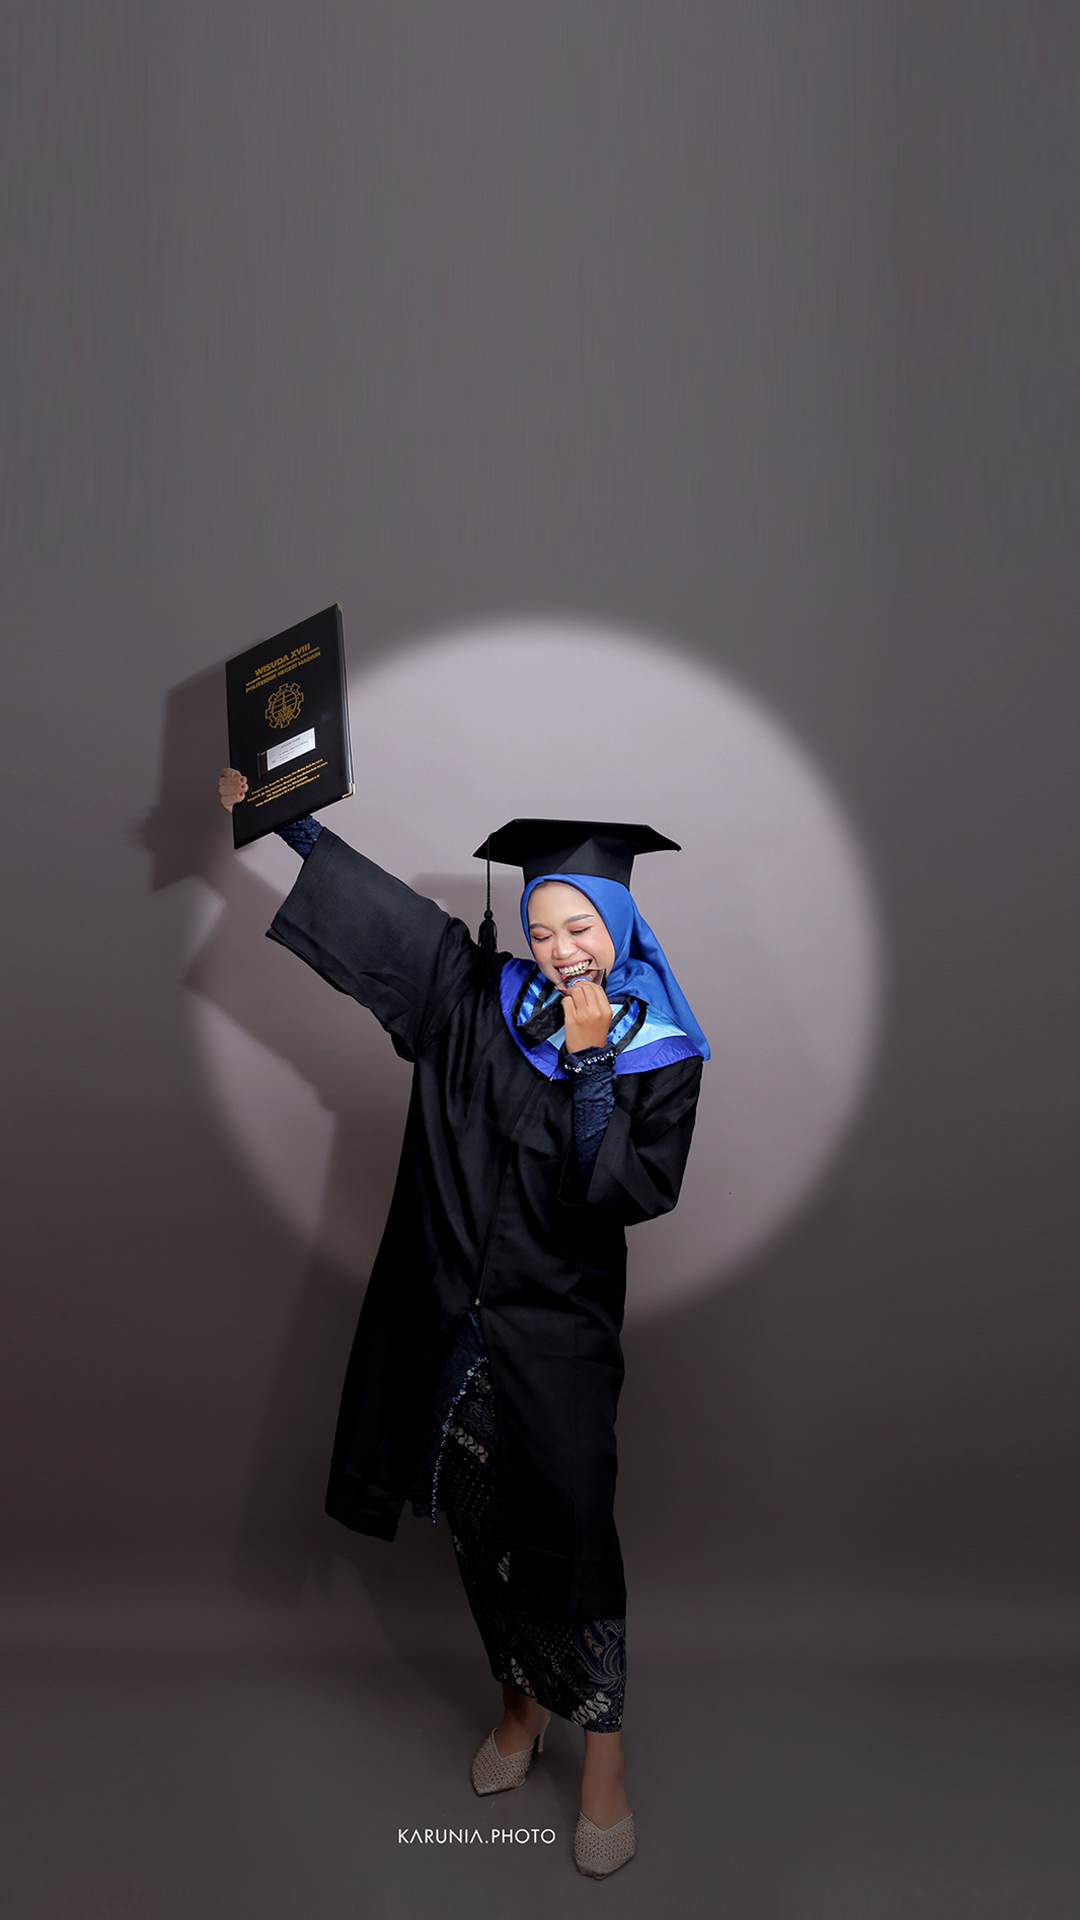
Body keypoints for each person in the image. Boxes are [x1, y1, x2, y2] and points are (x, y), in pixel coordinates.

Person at [218, 771, 708, 1879]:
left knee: (570, 1539)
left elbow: (624, 1195)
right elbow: (384, 916)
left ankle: (605, 1758)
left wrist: (590, 1067)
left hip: (558, 1341)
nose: (558, 950)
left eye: (580, 927)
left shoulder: (660, 1050)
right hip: (447, 1319)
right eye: (540, 926)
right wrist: (281, 811)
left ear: (621, 923)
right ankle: (523, 1707)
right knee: (481, 1530)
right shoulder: (470, 992)